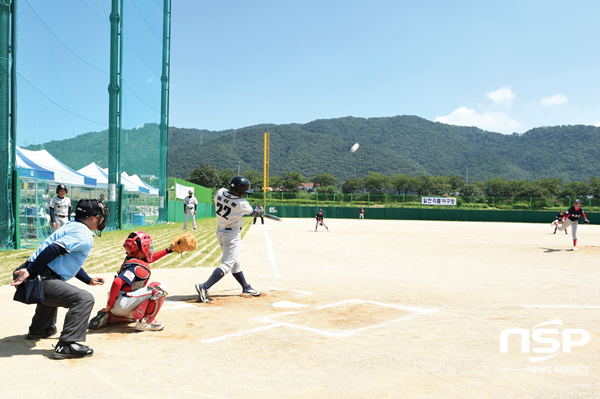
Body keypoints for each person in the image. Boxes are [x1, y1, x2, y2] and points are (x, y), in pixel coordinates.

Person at [11, 199, 109, 359]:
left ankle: (41, 329)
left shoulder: (72, 226)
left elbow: (66, 261)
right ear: (92, 218)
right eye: (100, 217)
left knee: (56, 288)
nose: (102, 220)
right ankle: (67, 345)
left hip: (36, 274)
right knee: (84, 299)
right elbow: (54, 249)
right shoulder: (84, 234)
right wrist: (30, 271)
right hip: (35, 276)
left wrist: (88, 279)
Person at [88, 231, 172, 332]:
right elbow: (117, 282)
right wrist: (108, 306)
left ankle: (113, 316)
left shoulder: (132, 258)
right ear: (142, 250)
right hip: (123, 303)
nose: (150, 248)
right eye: (148, 246)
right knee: (159, 289)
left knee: (137, 313)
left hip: (119, 303)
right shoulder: (134, 267)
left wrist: (169, 250)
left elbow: (148, 260)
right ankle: (146, 323)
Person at [195, 176, 261, 303]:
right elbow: (252, 212)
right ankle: (204, 287)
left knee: (235, 262)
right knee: (227, 264)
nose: (244, 195)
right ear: (239, 191)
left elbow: (229, 197)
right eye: (243, 192)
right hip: (232, 236)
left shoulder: (220, 192)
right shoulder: (242, 204)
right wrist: (257, 212)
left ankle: (246, 287)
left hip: (220, 232)